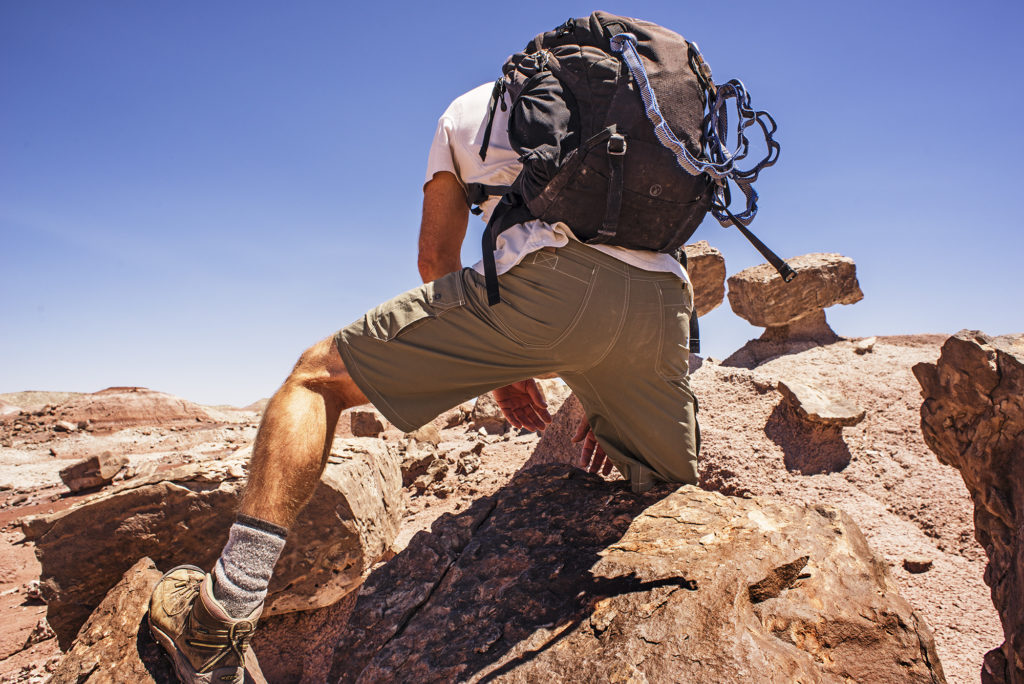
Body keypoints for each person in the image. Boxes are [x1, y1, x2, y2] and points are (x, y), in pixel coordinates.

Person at [147, 80, 699, 683]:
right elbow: (620, 271)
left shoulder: (471, 110)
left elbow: (436, 259)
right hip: (665, 302)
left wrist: (502, 366)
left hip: (550, 292)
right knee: (666, 490)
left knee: (314, 379)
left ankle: (219, 618)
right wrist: (604, 383)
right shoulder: (633, 105)